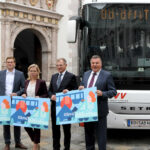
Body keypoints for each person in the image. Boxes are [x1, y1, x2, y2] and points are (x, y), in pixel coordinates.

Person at [79, 55, 117, 150]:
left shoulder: (107, 75)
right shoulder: (86, 74)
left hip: (100, 111)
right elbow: (83, 86)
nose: (94, 65)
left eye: (97, 63)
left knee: (101, 137)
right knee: (88, 136)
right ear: (90, 64)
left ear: (101, 64)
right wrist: (80, 88)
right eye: (93, 63)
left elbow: (113, 92)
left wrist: (102, 93)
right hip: (87, 110)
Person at [49, 58, 78, 150]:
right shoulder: (53, 76)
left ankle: (67, 147)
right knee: (55, 130)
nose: (59, 67)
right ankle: (56, 147)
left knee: (66, 130)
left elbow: (76, 90)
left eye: (61, 65)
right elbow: (50, 90)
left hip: (66, 108)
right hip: (54, 107)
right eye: (57, 65)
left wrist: (69, 91)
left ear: (66, 65)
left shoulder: (71, 76)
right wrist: (51, 96)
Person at [0, 57, 27, 150]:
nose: (10, 64)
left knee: (17, 122)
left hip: (16, 101)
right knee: (6, 122)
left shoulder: (20, 74)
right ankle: (7, 143)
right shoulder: (1, 73)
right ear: (6, 63)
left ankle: (18, 142)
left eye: (11, 62)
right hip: (4, 102)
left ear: (14, 63)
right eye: (8, 62)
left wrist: (17, 93)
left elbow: (24, 88)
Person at [22, 64, 48, 150]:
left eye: (35, 71)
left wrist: (40, 97)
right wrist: (24, 94)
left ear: (38, 72)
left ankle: (36, 145)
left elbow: (46, 94)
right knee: (26, 126)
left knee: (36, 126)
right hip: (27, 107)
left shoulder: (41, 82)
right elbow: (24, 92)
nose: (33, 72)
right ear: (29, 72)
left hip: (37, 107)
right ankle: (35, 141)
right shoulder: (26, 82)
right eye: (31, 71)